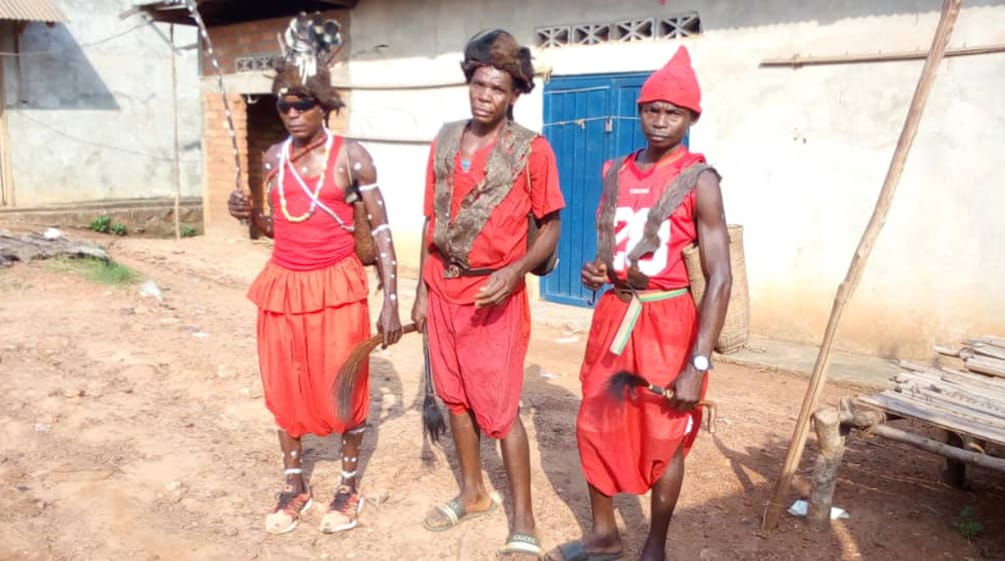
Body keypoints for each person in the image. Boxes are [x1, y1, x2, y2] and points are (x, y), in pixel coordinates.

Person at [546, 46, 732, 561]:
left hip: (670, 322)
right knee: (596, 420)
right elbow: (614, 249)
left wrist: (698, 361)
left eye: (673, 112)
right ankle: (604, 534)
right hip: (615, 314)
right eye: (652, 109)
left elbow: (720, 279)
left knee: (665, 428)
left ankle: (656, 543)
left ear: (692, 117)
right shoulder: (615, 171)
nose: (661, 121)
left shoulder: (702, 180)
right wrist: (595, 271)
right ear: (640, 110)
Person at [226, 14, 402, 536]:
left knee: (342, 388)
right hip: (283, 284)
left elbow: (384, 229)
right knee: (285, 385)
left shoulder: (352, 156)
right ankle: (294, 484)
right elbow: (274, 228)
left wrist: (392, 300)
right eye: (284, 103)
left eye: (303, 102)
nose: (292, 111)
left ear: (324, 105)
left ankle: (348, 487)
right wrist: (248, 215)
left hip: (337, 286)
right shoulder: (274, 157)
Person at [410, 29, 564, 560]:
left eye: (497, 89)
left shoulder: (532, 150)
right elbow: (432, 220)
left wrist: (518, 269)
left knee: (499, 409)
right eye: (478, 84)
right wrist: (419, 291)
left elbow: (550, 227)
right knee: (455, 400)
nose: (484, 96)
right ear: (469, 81)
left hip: (494, 297)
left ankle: (523, 519)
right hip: (442, 288)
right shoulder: (446, 139)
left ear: (513, 95)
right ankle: (474, 493)